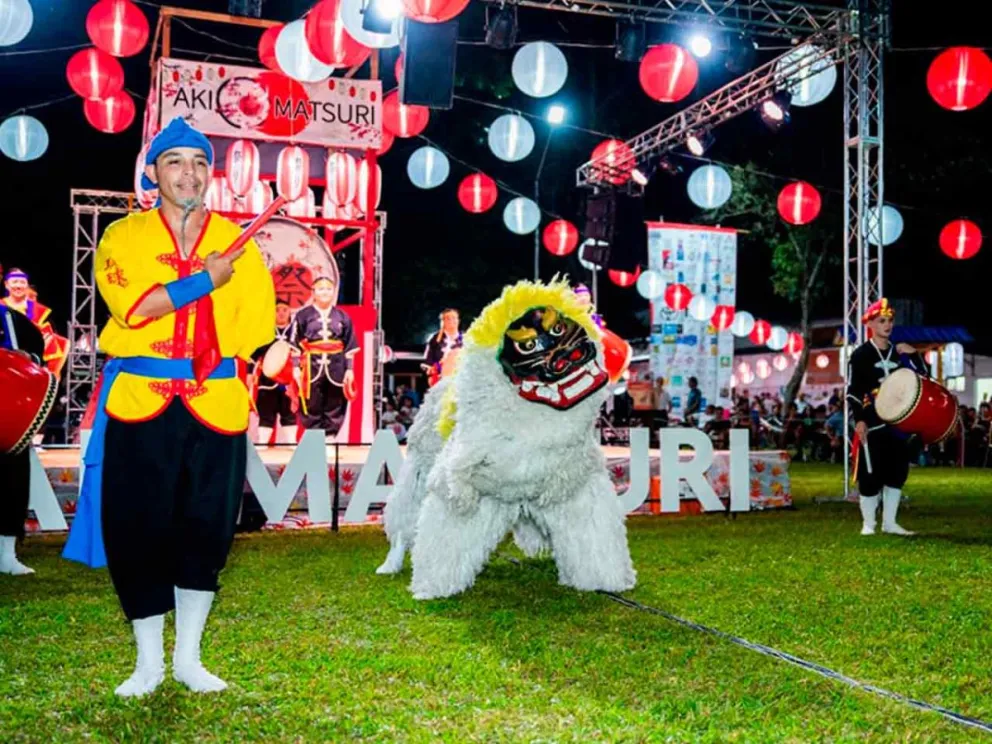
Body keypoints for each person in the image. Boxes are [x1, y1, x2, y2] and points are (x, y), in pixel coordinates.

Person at [60, 117, 276, 697]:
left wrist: (273, 351)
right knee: (139, 528)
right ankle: (148, 663)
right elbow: (137, 308)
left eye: (200, 162)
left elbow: (257, 326)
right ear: (152, 172)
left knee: (207, 530)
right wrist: (204, 281)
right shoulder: (123, 237)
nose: (190, 172)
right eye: (176, 161)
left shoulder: (239, 242)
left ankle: (189, 659)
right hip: (140, 401)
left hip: (217, 403)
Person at [847, 298, 926, 536]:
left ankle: (890, 523)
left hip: (901, 422)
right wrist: (859, 419)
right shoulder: (861, 354)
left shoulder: (899, 352)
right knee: (871, 474)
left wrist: (915, 355)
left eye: (890, 320)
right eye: (882, 321)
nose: (887, 325)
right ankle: (868, 524)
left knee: (897, 472)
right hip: (873, 422)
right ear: (870, 324)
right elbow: (853, 391)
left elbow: (921, 380)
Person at [0, 302, 46, 575]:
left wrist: (22, 359)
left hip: (9, 418)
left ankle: (6, 555)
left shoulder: (12, 320)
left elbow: (37, 359)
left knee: (11, 482)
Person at [291, 276, 357, 440]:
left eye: (328, 289)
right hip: (311, 365)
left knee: (335, 401)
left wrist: (349, 370)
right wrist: (295, 367)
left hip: (337, 365)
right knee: (311, 401)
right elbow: (294, 345)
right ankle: (313, 438)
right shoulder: (303, 315)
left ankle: (330, 438)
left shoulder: (342, 316)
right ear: (313, 293)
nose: (325, 292)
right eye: (321, 289)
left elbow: (349, 345)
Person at [2, 267, 68, 375]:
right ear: (6, 284)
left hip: (31, 367)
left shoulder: (40, 312)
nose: (18, 286)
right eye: (14, 282)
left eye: (22, 282)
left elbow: (49, 346)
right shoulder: (1, 306)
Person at [252, 298, 297, 445]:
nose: (281, 313)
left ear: (290, 312)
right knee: (266, 413)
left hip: (289, 381)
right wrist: (248, 374)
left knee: (289, 413)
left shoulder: (296, 331)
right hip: (267, 381)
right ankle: (262, 445)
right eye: (277, 310)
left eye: (285, 310)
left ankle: (292, 445)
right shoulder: (265, 332)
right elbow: (253, 355)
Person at [422, 308, 463, 386]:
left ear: (458, 321)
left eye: (454, 318)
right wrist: (435, 368)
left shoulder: (466, 338)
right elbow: (427, 364)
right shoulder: (434, 339)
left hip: (460, 381)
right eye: (447, 318)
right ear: (442, 322)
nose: (451, 321)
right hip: (439, 381)